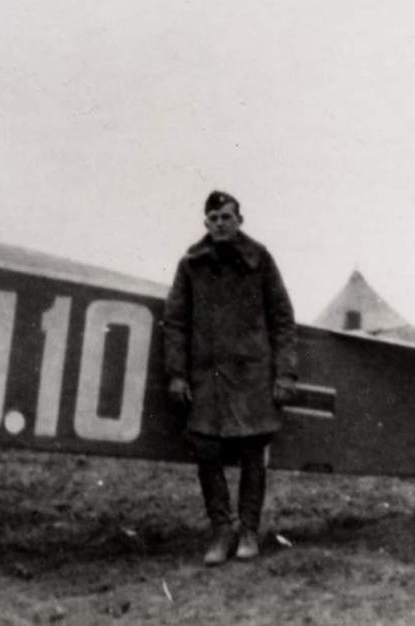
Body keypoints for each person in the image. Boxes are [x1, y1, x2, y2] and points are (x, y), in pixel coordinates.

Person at [162, 190, 298, 565]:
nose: (220, 224)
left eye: (227, 217)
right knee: (207, 452)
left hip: (251, 374)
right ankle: (221, 531)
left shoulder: (260, 260)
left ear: (240, 220)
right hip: (207, 377)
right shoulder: (191, 264)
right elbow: (175, 322)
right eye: (214, 218)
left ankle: (250, 531)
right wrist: (177, 374)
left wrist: (284, 374)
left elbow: (282, 319)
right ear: (206, 223)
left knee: (253, 453)